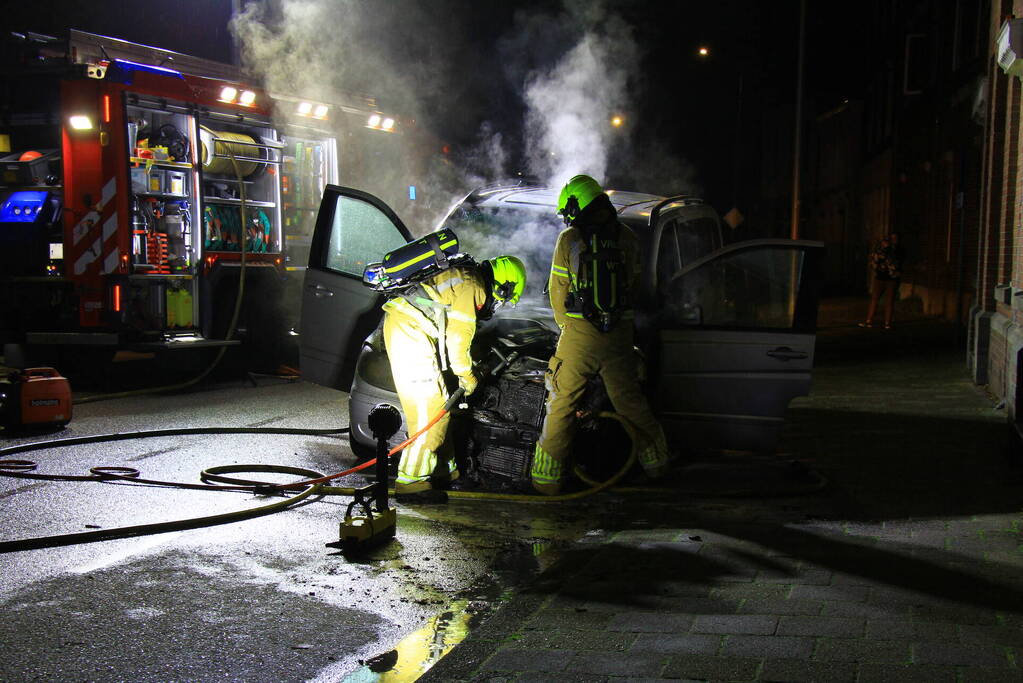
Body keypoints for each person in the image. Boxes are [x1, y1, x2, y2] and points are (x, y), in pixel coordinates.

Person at [531, 174, 670, 495]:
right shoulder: (628, 238)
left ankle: (546, 481)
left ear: (576, 204)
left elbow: (557, 291)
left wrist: (568, 328)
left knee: (562, 403)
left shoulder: (569, 239)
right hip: (620, 332)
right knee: (630, 401)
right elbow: (634, 288)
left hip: (580, 332)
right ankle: (658, 465)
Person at [385, 254, 526, 503]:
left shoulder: (466, 277)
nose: (496, 305)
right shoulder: (474, 287)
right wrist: (468, 376)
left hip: (410, 327)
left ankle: (445, 472)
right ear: (504, 286)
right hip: (409, 331)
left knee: (443, 403)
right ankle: (411, 481)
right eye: (503, 299)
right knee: (433, 409)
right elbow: (458, 341)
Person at [860, 232, 905, 330]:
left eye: (895, 238)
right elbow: (875, 260)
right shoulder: (882, 249)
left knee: (889, 301)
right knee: (874, 299)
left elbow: (896, 262)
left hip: (891, 279)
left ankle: (887, 323)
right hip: (880, 278)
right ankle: (869, 321)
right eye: (891, 238)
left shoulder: (897, 250)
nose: (893, 240)